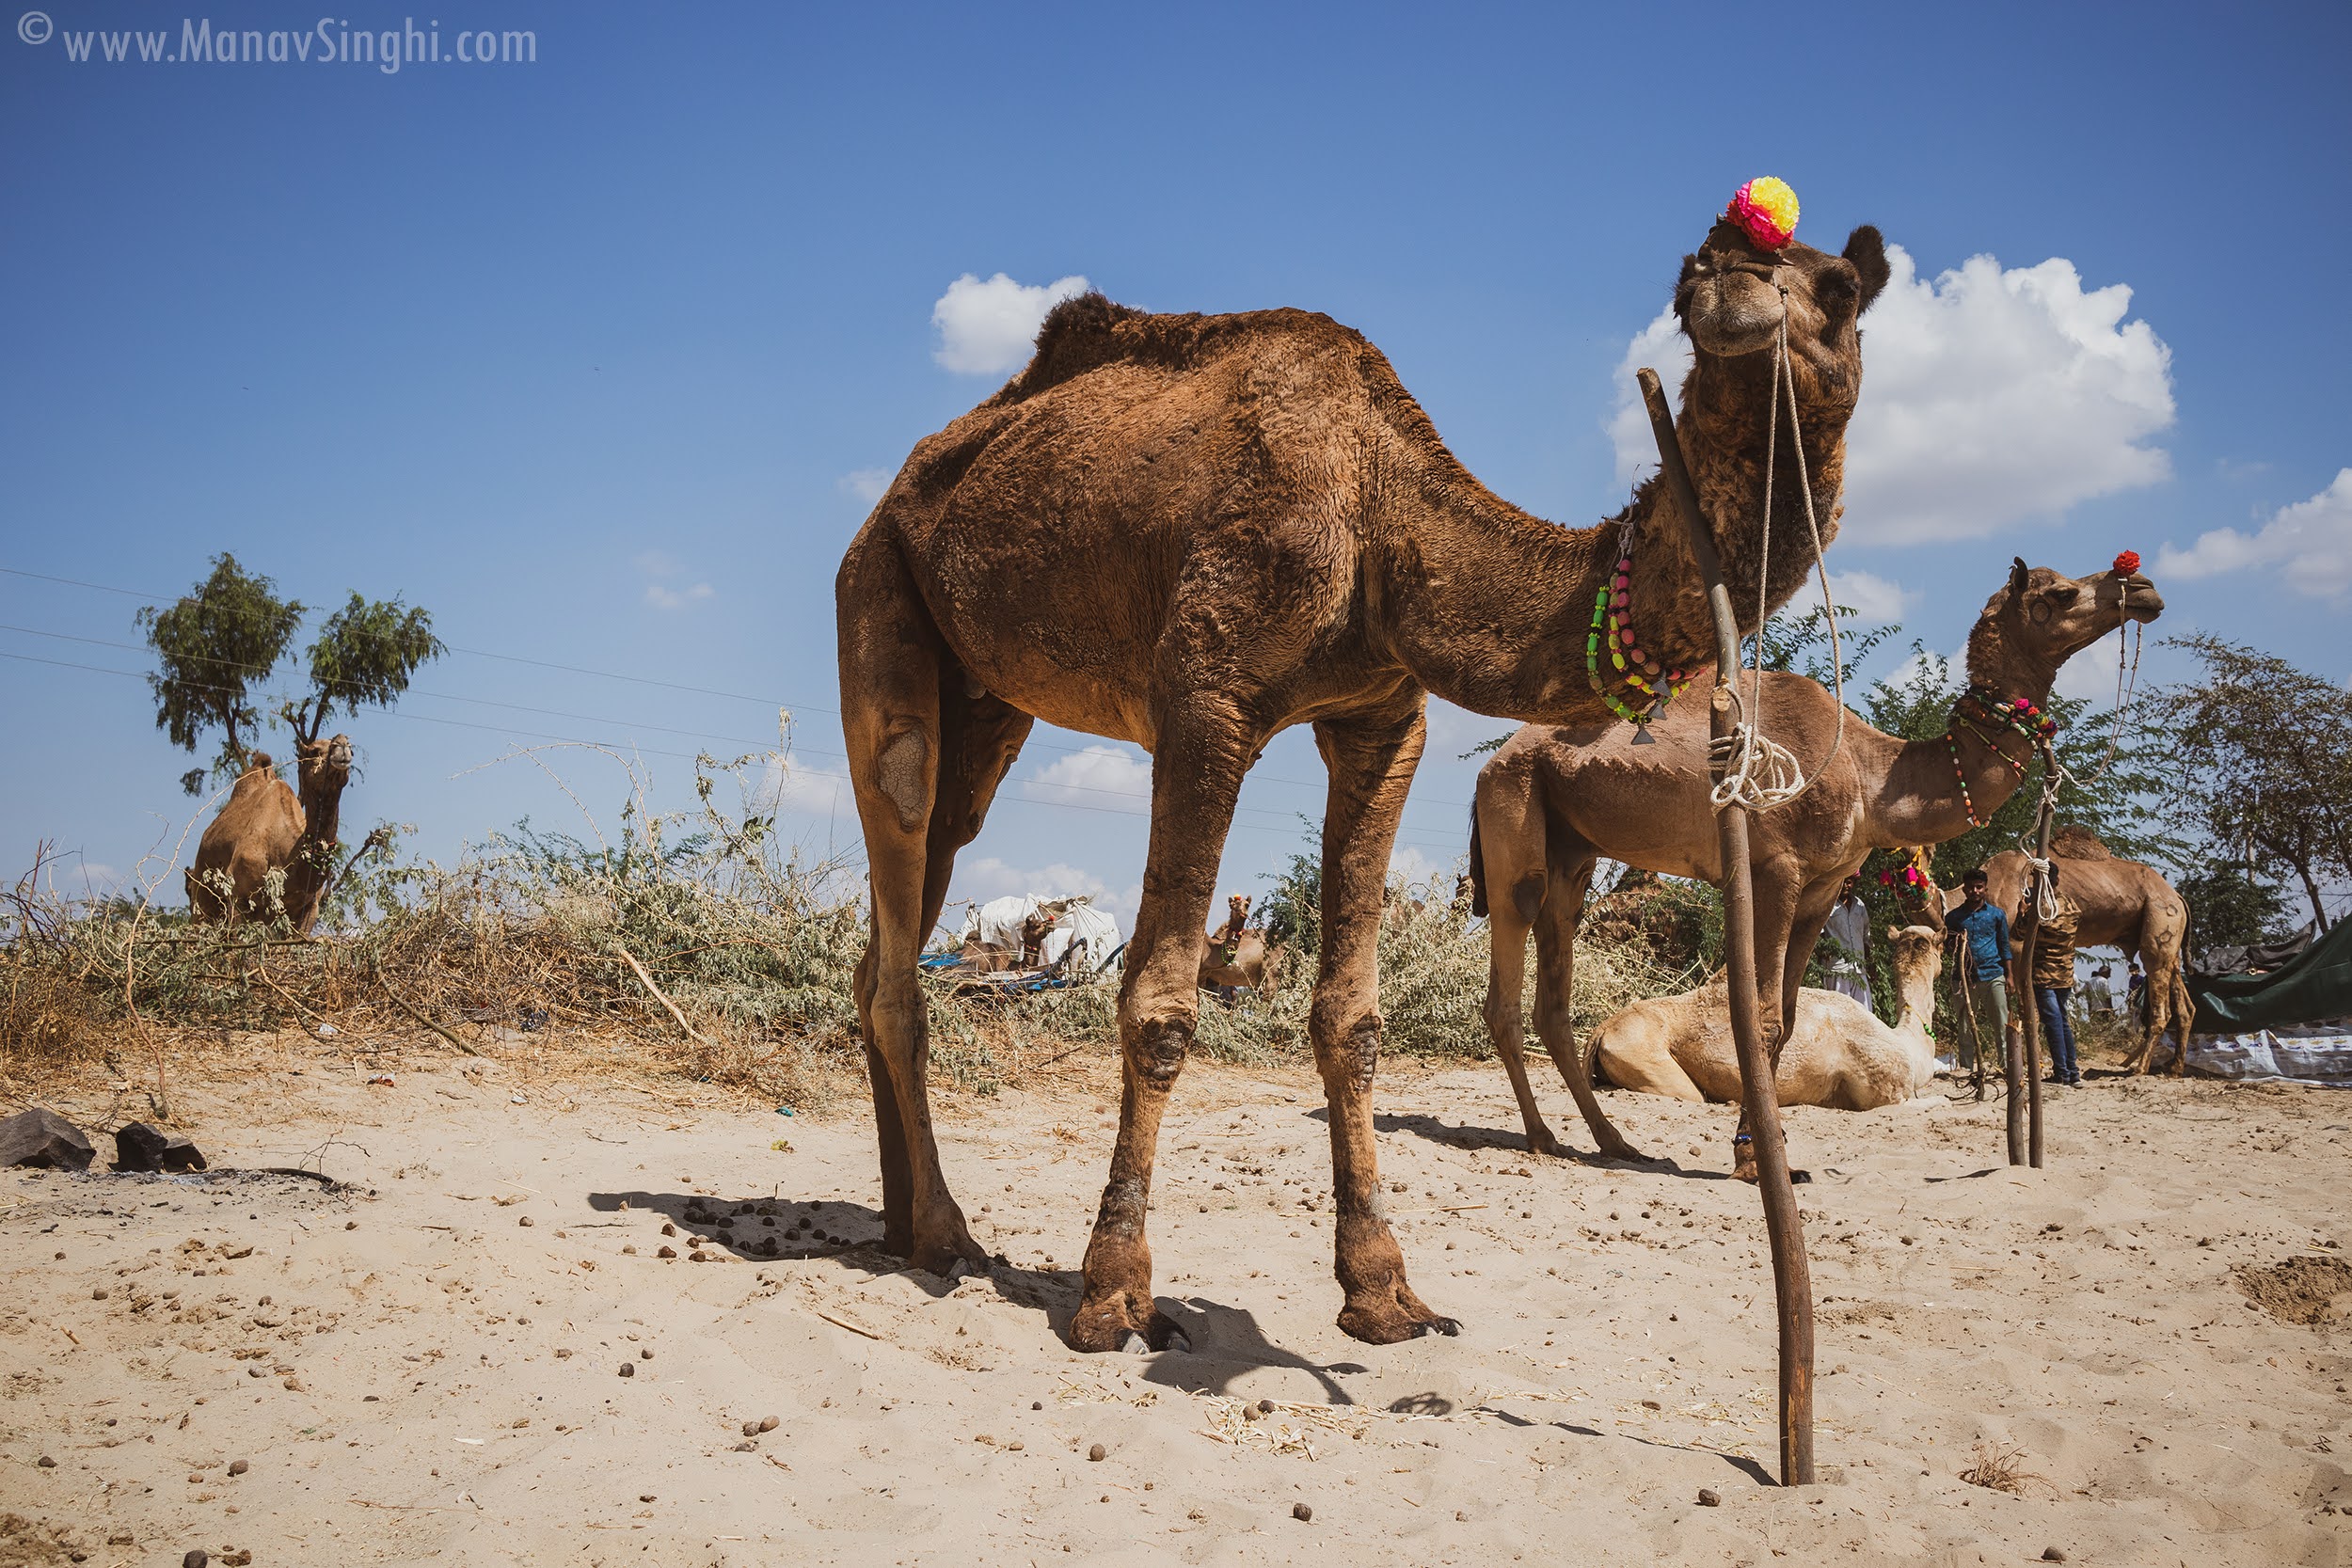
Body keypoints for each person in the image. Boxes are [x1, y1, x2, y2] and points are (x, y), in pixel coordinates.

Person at [2016, 865, 2082, 1085]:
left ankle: (2062, 1073)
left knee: (2053, 1023)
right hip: (2066, 973)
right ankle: (2072, 1071)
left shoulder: (2041, 908)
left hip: (2045, 975)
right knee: (2062, 1022)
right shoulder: (2069, 903)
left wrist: (2022, 911)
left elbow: (2019, 932)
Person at [1944, 867, 2013, 1076]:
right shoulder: (1954, 917)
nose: (1974, 891)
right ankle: (1966, 1069)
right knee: (1965, 1027)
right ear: (1964, 890)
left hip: (1993, 974)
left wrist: (2009, 976)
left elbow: (2005, 946)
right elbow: (1948, 947)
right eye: (1971, 887)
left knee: (2001, 1024)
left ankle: (2005, 1067)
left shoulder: (1997, 915)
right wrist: (1956, 944)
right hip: (1964, 979)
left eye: (1979, 887)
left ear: (1985, 889)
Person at [1820, 876, 1873, 1011]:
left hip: (1859, 969)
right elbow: (1818, 935)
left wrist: (1869, 961)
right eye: (1842, 881)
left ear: (1854, 883)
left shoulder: (1859, 905)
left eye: (1848, 882)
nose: (1845, 885)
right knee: (1839, 1013)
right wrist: (1822, 952)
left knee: (1865, 1013)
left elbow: (1865, 934)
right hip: (1837, 968)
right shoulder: (1827, 905)